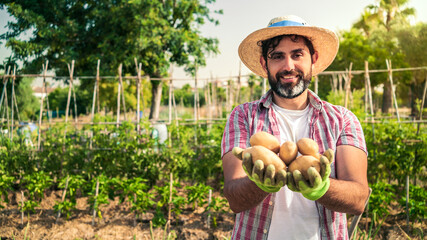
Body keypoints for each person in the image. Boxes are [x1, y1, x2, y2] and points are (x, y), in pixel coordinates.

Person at [221, 15, 370, 240]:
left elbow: (359, 199)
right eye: (277, 56)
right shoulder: (243, 116)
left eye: (297, 54)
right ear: (264, 64)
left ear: (314, 59)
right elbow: (233, 197)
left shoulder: (342, 120)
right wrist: (260, 184)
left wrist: (322, 188)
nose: (288, 66)